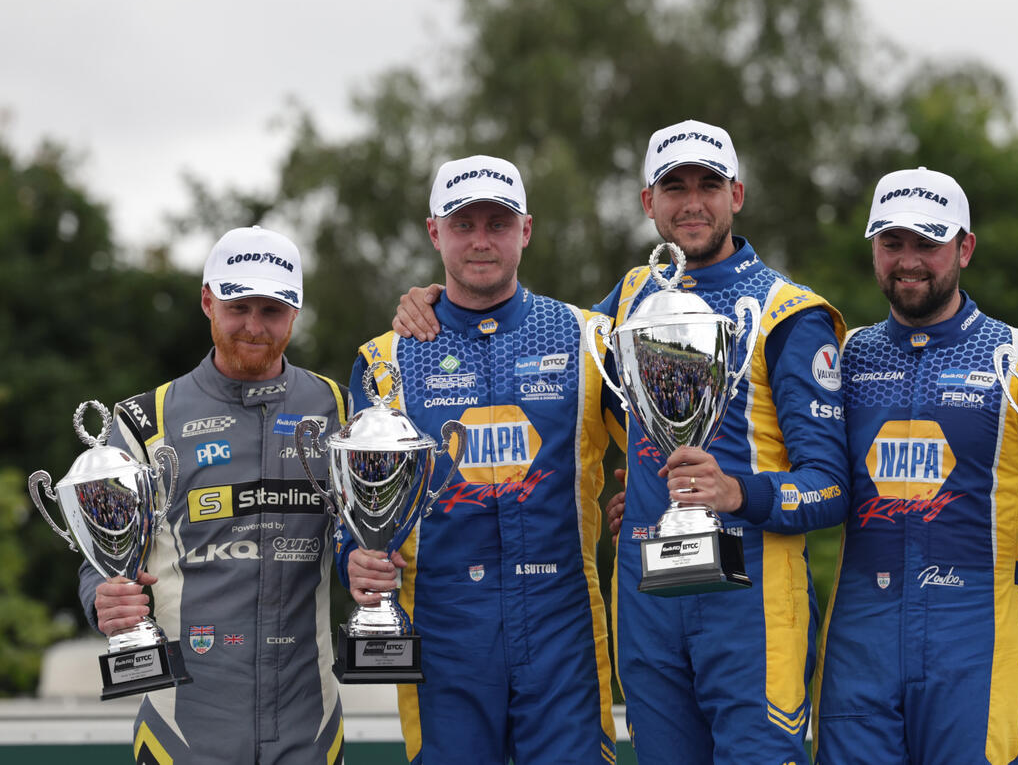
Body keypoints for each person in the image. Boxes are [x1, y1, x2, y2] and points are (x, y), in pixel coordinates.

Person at [395, 122, 851, 764]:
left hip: (750, 606)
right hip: (646, 600)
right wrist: (436, 306)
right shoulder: (632, 296)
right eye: (675, 186)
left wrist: (734, 492)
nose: (692, 202)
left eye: (708, 185)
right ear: (649, 202)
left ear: (737, 195)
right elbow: (556, 382)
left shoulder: (789, 314)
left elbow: (832, 487)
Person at [810, 167, 1018, 764]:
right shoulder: (844, 358)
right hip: (858, 649)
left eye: (927, 243)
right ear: (873, 247)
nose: (908, 261)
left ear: (965, 248)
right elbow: (791, 471)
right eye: (891, 242)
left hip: (974, 647)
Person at [336, 155, 618, 764]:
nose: (482, 241)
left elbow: (660, 440)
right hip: (443, 634)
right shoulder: (386, 359)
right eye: (464, 225)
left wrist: (648, 505)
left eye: (499, 223)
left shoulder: (587, 337)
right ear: (435, 233)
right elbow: (355, 506)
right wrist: (351, 559)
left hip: (562, 626)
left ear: (527, 230)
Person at [78, 226, 349, 765]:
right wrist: (101, 600)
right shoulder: (143, 421)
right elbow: (95, 560)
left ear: (296, 312)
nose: (253, 326)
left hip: (308, 724)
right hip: (185, 726)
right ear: (207, 300)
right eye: (238, 305)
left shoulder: (337, 411)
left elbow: (362, 539)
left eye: (272, 310)